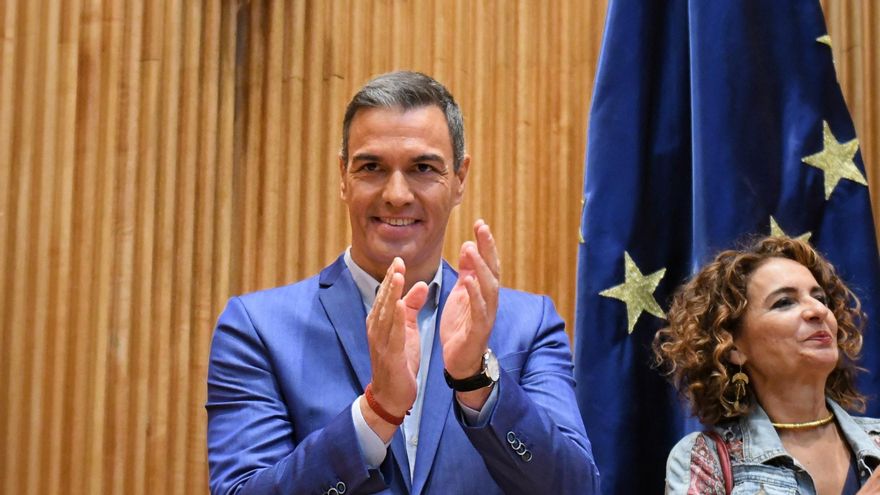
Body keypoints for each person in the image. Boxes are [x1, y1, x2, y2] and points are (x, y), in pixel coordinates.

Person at [206, 71, 599, 495]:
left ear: (460, 179)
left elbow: (578, 488)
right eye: (371, 167)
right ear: (343, 176)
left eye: (422, 168)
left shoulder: (529, 324)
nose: (396, 194)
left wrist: (475, 381)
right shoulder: (257, 329)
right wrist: (377, 413)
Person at [654, 236, 880, 494]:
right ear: (732, 347)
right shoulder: (706, 459)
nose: (817, 310)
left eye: (821, 298)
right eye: (784, 302)